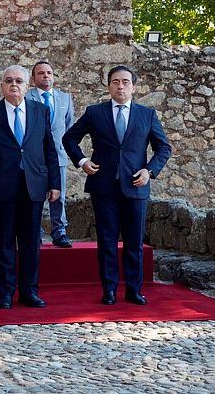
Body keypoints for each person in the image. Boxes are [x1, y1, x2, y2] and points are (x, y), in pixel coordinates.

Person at [62, 65, 171, 306]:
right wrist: (82, 161)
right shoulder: (94, 113)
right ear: (109, 85)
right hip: (104, 187)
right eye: (115, 82)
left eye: (124, 82)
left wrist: (150, 170)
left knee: (134, 242)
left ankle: (134, 289)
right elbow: (69, 138)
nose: (120, 86)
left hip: (136, 185)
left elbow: (164, 147)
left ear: (133, 86)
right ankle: (109, 289)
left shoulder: (147, 114)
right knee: (107, 241)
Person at [0, 65, 61, 310]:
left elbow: (49, 148)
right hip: (2, 185)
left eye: (19, 81)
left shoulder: (41, 111)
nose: (14, 85)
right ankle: (5, 293)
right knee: (3, 242)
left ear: (28, 86)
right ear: (2, 86)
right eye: (9, 81)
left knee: (31, 242)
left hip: (33, 185)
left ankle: (29, 291)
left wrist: (54, 183)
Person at [25, 61, 74, 248]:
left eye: (49, 73)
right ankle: (33, 232)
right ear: (33, 78)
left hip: (58, 155)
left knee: (59, 196)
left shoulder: (65, 99)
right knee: (33, 195)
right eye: (41, 73)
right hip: (35, 156)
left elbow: (69, 126)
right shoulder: (26, 97)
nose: (46, 76)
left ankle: (59, 231)